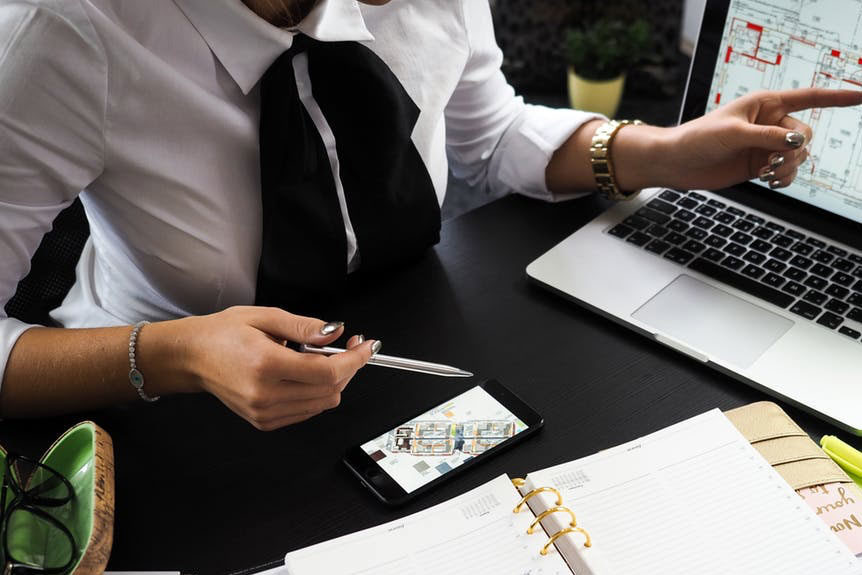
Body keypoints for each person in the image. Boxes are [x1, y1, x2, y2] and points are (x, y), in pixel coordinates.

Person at [0, 0, 859, 431]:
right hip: (169, 407)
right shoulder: (62, 35)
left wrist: (655, 152)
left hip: (412, 334)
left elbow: (491, 135)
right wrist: (177, 354)